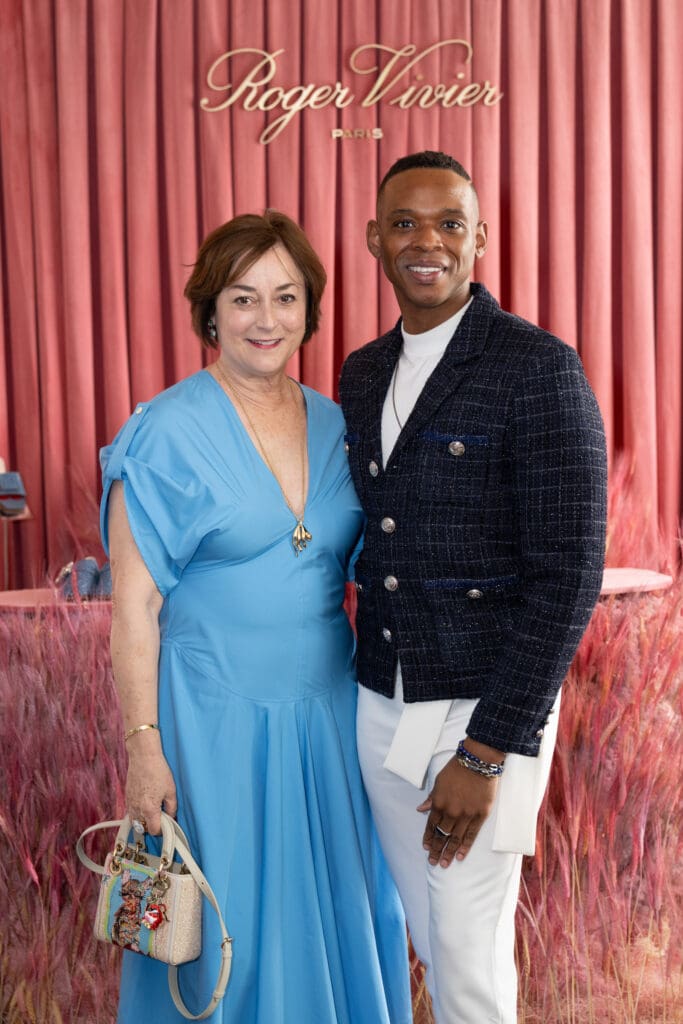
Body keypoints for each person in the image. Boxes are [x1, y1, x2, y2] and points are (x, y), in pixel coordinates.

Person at [100, 211, 412, 1024]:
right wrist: (143, 748)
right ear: (210, 312)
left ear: (310, 309)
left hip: (332, 719)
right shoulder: (162, 433)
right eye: (242, 298)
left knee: (339, 910)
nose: (265, 319)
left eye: (284, 297)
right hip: (211, 723)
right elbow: (133, 607)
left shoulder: (340, 424)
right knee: (222, 926)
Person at [339, 151, 607, 1024]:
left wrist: (488, 750)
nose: (427, 242)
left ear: (479, 238)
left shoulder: (537, 367)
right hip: (383, 695)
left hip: (482, 705)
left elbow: (568, 577)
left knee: (464, 950)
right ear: (374, 239)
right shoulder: (362, 372)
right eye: (405, 223)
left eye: (448, 223)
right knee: (435, 936)